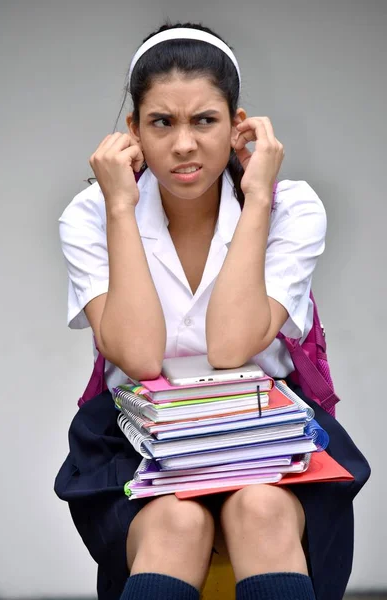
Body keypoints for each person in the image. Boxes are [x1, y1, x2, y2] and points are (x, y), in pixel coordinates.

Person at [54, 21, 370, 600]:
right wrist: (121, 206)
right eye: (161, 122)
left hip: (263, 433)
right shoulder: (91, 214)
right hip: (139, 439)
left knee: (262, 512)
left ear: (237, 125)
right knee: (178, 522)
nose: (183, 144)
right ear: (133, 132)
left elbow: (231, 346)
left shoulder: (291, 207)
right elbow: (138, 354)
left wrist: (259, 198)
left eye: (205, 120)